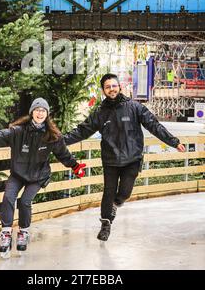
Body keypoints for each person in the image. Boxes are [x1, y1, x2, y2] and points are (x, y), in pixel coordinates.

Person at [0, 97, 86, 258]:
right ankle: (6, 234)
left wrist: (75, 166)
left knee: (24, 201)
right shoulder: (18, 132)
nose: (40, 113)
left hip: (38, 176)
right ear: (32, 113)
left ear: (47, 114)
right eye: (37, 110)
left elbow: (63, 154)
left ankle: (23, 232)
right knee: (8, 198)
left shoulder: (52, 136)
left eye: (43, 110)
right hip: (18, 174)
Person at [64, 73, 185, 242]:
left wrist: (173, 142)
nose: (111, 89)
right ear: (103, 90)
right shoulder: (100, 112)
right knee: (108, 192)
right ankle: (106, 224)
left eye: (114, 86)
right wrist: (59, 142)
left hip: (132, 158)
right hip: (110, 160)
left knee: (125, 192)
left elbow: (154, 125)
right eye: (107, 87)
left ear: (119, 87)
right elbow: (81, 131)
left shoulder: (135, 107)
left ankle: (117, 203)